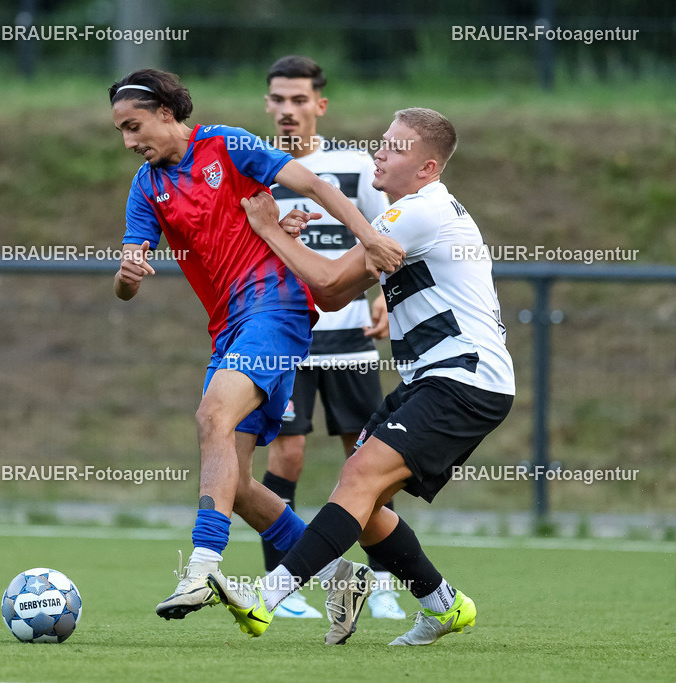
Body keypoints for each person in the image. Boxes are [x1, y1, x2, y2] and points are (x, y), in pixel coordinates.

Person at [207, 107, 515, 646]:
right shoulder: (410, 214)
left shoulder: (415, 212)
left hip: (464, 378)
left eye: (396, 147)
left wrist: (265, 230)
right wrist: (281, 238)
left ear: (428, 167)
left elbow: (326, 286)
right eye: (381, 142)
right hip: (436, 379)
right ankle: (443, 604)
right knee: (363, 502)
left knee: (356, 481)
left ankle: (267, 597)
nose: (380, 152)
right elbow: (333, 293)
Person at [109, 68, 405, 622]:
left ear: (168, 114)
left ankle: (200, 568)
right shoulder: (147, 187)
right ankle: (341, 572)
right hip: (229, 328)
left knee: (211, 416)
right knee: (239, 484)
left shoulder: (227, 143)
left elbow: (315, 185)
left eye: (134, 126)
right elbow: (125, 288)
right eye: (121, 132)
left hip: (277, 309)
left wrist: (368, 236)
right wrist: (128, 272)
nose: (129, 142)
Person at [258, 55, 404, 621]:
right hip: (285, 338)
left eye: (299, 100)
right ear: (267, 105)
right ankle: (282, 583)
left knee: (366, 461)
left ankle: (385, 581)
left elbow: (389, 234)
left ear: (320, 104)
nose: (288, 110)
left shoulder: (349, 167)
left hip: (349, 341)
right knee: (288, 454)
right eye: (279, 100)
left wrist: (387, 301)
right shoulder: (256, 168)